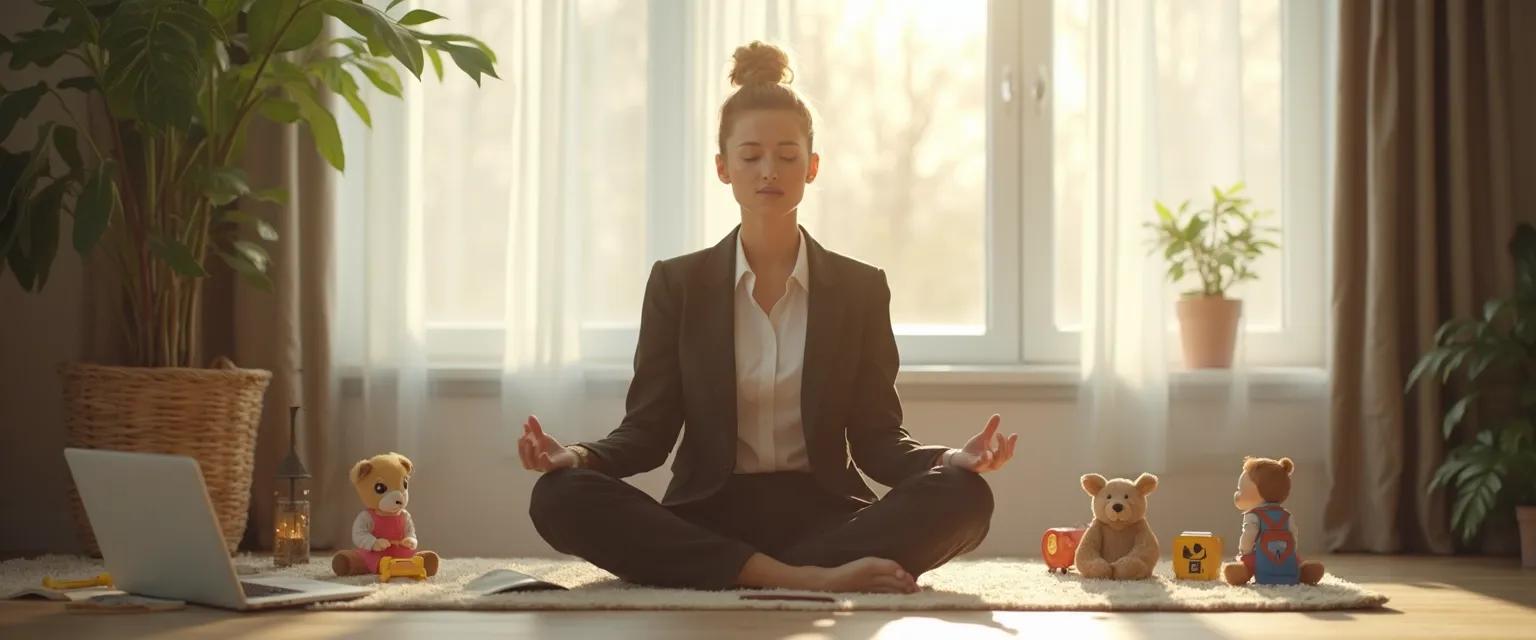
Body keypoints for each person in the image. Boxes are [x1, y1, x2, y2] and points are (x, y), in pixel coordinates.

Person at [518, 41, 1019, 594]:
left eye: (787, 155)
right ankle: (795, 577)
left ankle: (739, 570)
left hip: (826, 513)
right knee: (560, 494)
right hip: (710, 511)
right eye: (750, 155)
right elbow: (648, 431)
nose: (768, 171)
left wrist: (952, 457)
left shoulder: (859, 288)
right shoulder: (677, 284)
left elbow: (879, 439)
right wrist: (580, 456)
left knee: (965, 495)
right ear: (723, 167)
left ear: (813, 165)